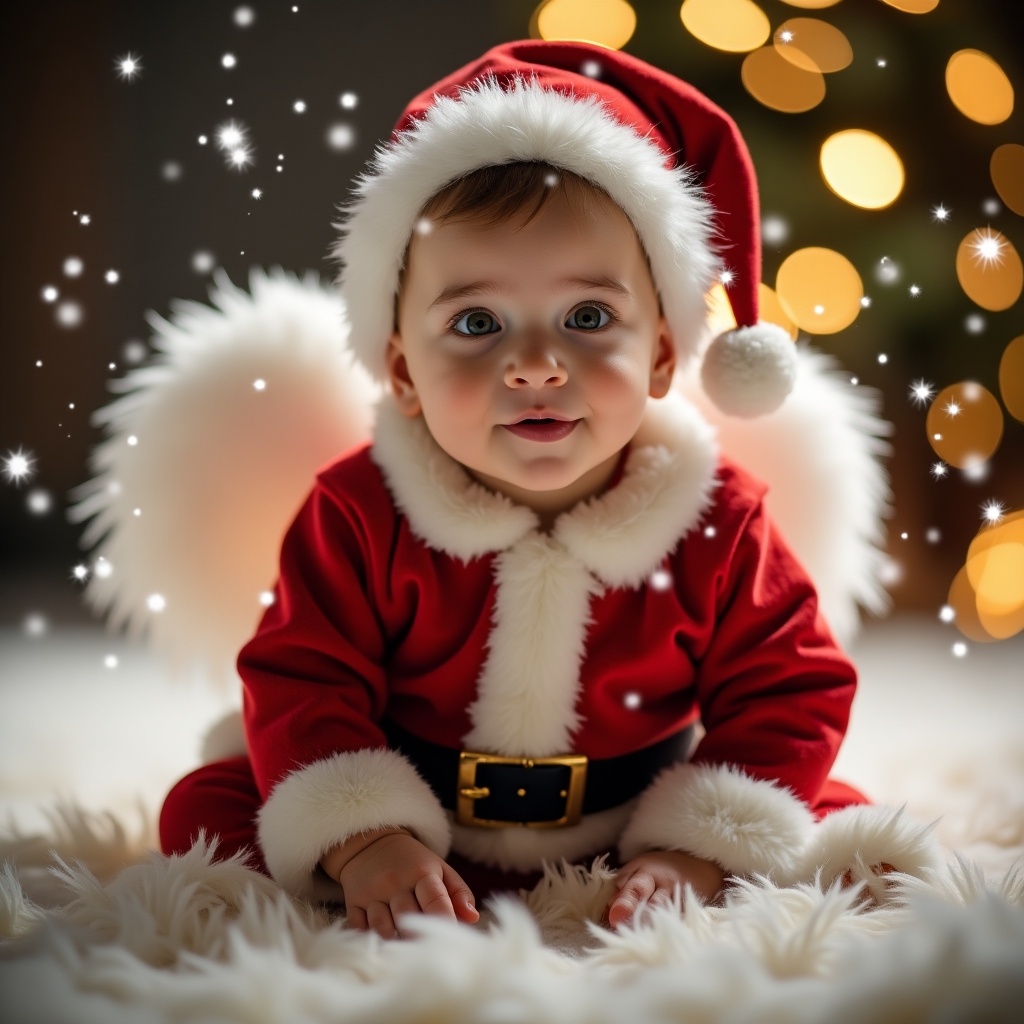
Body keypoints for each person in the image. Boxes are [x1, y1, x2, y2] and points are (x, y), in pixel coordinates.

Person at [159, 40, 937, 939]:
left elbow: (790, 691)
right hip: (419, 807)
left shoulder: (719, 520)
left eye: (588, 318)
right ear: (403, 371)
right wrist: (362, 838)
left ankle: (675, 869)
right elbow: (301, 676)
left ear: (661, 357)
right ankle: (388, 866)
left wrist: (699, 846)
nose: (534, 365)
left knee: (838, 817)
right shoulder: (359, 509)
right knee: (203, 811)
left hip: (631, 811)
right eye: (477, 323)